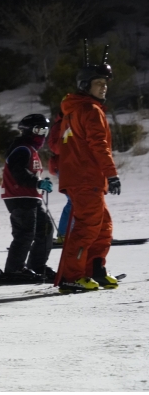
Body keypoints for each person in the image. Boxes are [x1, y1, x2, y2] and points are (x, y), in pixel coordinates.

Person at [56, 50, 120, 292]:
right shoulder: (90, 110)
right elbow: (98, 145)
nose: (103, 88)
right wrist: (112, 174)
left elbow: (61, 145)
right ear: (85, 85)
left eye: (105, 83)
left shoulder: (71, 111)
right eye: (98, 83)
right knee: (88, 227)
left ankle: (94, 270)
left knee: (103, 226)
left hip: (82, 178)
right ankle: (72, 276)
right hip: (86, 178)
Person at [0, 114, 55, 282]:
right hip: (18, 196)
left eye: (45, 130)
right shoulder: (21, 148)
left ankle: (36, 266)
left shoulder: (30, 149)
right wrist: (38, 182)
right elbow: (19, 172)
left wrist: (40, 183)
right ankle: (14, 270)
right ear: (27, 131)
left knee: (45, 230)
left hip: (31, 197)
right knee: (25, 233)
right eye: (38, 129)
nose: (42, 134)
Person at [47, 111, 72, 244]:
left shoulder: (79, 122)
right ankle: (63, 235)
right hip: (65, 167)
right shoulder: (59, 126)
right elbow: (56, 148)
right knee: (74, 201)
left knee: (86, 200)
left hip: (78, 167)